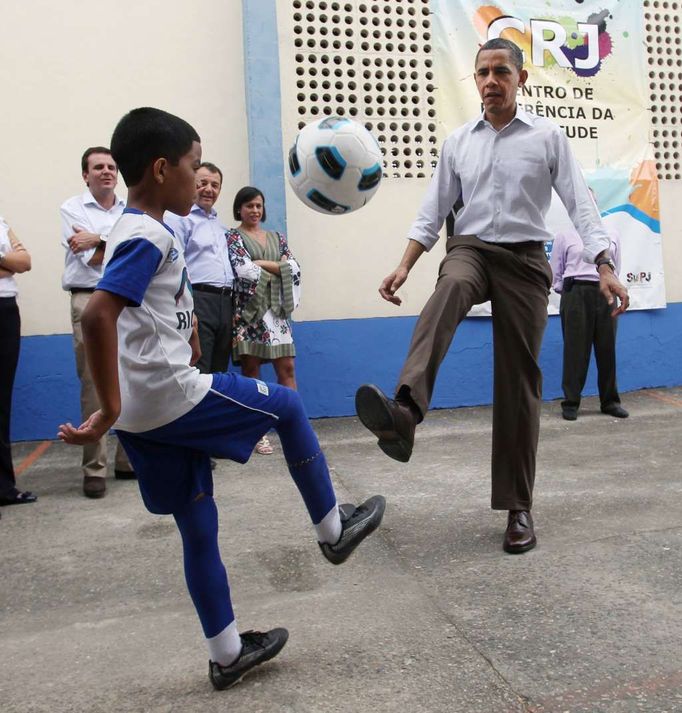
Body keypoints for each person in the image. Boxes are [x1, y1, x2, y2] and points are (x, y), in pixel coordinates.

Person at [58, 107, 385, 690]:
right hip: (169, 397)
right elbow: (99, 317)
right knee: (286, 407)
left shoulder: (141, 232)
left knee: (197, 523)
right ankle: (333, 530)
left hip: (144, 412)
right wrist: (105, 407)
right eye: (191, 165)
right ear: (161, 170)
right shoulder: (147, 231)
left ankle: (227, 651)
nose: (198, 177)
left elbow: (137, 311)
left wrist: (173, 341)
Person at [354, 38, 628, 555]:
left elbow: (579, 203)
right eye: (482, 72)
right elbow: (432, 212)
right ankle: (406, 413)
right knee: (452, 284)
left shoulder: (548, 137)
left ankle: (518, 505)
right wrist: (403, 265)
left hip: (525, 259)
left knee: (518, 379)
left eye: (501, 71)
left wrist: (604, 265)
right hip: (472, 247)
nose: (490, 81)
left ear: (520, 79)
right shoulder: (459, 141)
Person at [61, 146, 135, 498]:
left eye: (111, 167)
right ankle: (95, 468)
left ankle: (127, 460)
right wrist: (108, 245)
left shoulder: (128, 209)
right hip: (89, 298)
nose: (107, 172)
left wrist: (102, 239)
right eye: (99, 167)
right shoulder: (72, 209)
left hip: (126, 298)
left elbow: (133, 250)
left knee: (131, 377)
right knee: (94, 382)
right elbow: (90, 258)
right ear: (85, 175)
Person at [227, 187, 300, 456]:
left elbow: (294, 268)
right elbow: (244, 270)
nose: (254, 210)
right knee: (251, 372)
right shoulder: (233, 237)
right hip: (250, 312)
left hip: (277, 311)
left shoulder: (277, 237)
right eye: (249, 206)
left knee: (287, 367)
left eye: (258, 205)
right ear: (239, 209)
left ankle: (295, 426)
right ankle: (256, 433)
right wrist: (278, 266)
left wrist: (262, 262)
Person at [550, 195, 628, 421]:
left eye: (593, 201)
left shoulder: (611, 233)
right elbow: (557, 269)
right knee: (575, 350)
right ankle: (571, 402)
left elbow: (616, 266)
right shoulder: (565, 235)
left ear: (597, 205)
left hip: (606, 293)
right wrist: (567, 293)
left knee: (607, 349)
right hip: (576, 292)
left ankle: (610, 402)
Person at [165, 162, 234, 374]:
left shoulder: (220, 225)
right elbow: (176, 264)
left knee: (219, 368)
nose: (209, 189)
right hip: (199, 300)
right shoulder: (180, 219)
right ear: (191, 184)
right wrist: (188, 308)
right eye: (202, 183)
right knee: (198, 367)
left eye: (215, 185)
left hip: (225, 302)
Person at [0, 218, 35, 511]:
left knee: (2, 402)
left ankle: (4, 487)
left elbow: (24, 262)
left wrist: (8, 261)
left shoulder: (2, 222)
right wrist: (7, 261)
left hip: (6, 310)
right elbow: (15, 261)